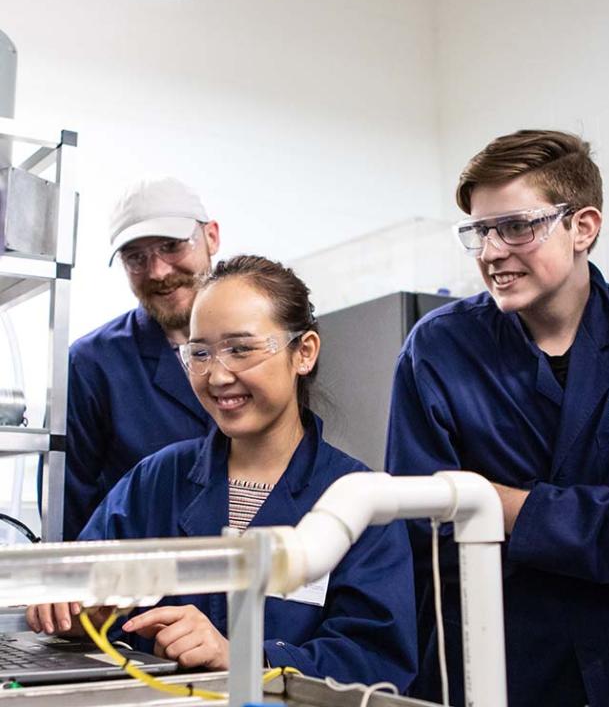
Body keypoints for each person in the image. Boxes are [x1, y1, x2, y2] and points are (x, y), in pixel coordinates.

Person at [386, 129, 609, 707]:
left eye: (516, 227)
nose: (491, 251)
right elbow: (425, 535)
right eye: (480, 232)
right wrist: (601, 531)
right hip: (491, 664)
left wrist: (498, 504)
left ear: (582, 226)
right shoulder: (438, 349)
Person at [28, 255, 417, 689]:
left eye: (240, 349)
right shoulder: (154, 481)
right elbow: (83, 595)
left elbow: (376, 662)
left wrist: (247, 657)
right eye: (199, 353)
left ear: (303, 352)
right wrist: (76, 615)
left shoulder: (361, 503)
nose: (216, 375)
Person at [64, 177, 217, 540]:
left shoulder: (265, 344)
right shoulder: (93, 364)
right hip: (136, 588)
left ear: (211, 236)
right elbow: (71, 511)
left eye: (172, 246)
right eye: (136, 257)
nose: (158, 271)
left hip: (251, 577)